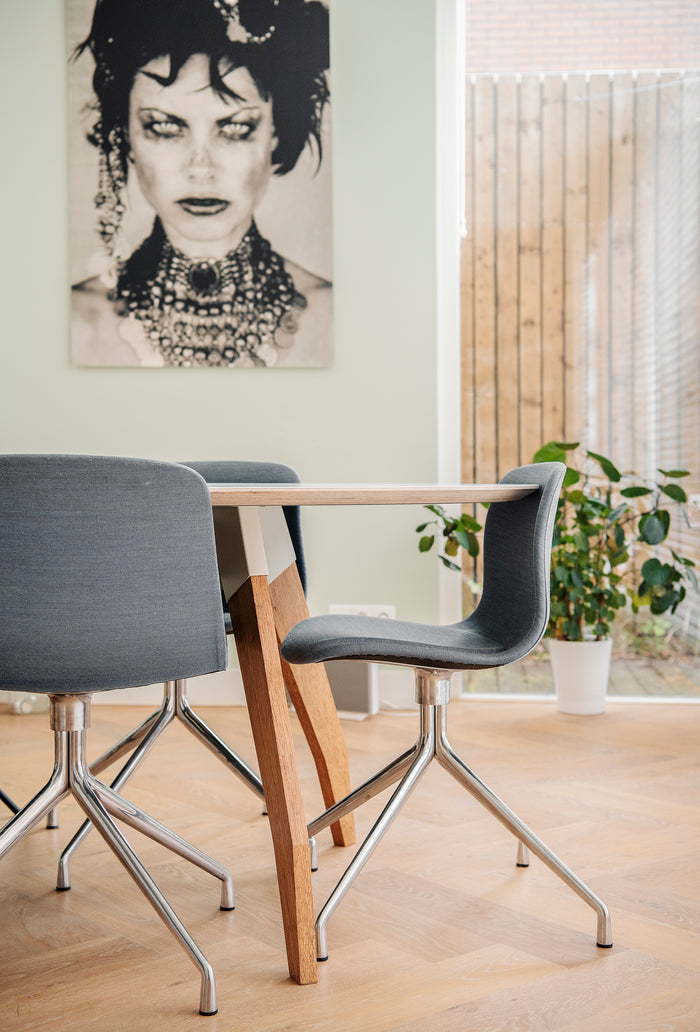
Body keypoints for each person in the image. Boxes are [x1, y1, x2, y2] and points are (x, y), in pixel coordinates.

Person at [70, 0, 332, 367]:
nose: (201, 168)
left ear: (275, 133)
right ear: (125, 136)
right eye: (165, 128)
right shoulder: (73, 327)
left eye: (236, 129)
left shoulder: (336, 321)